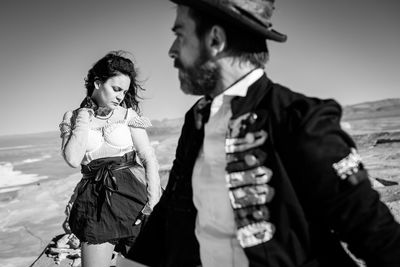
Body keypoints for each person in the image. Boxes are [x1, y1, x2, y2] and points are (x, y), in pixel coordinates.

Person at [127, 1, 400, 267]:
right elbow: (173, 208)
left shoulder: (298, 118)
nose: (172, 50)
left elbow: (374, 232)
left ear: (215, 39)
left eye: (180, 35)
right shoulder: (198, 118)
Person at [59, 51, 161, 267]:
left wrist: (153, 203)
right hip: (95, 204)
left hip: (134, 199)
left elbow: (149, 158)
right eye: (116, 89)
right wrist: (84, 117)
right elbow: (73, 159)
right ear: (97, 83)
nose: (120, 96)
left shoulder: (128, 115)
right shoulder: (74, 117)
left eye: (124, 91)